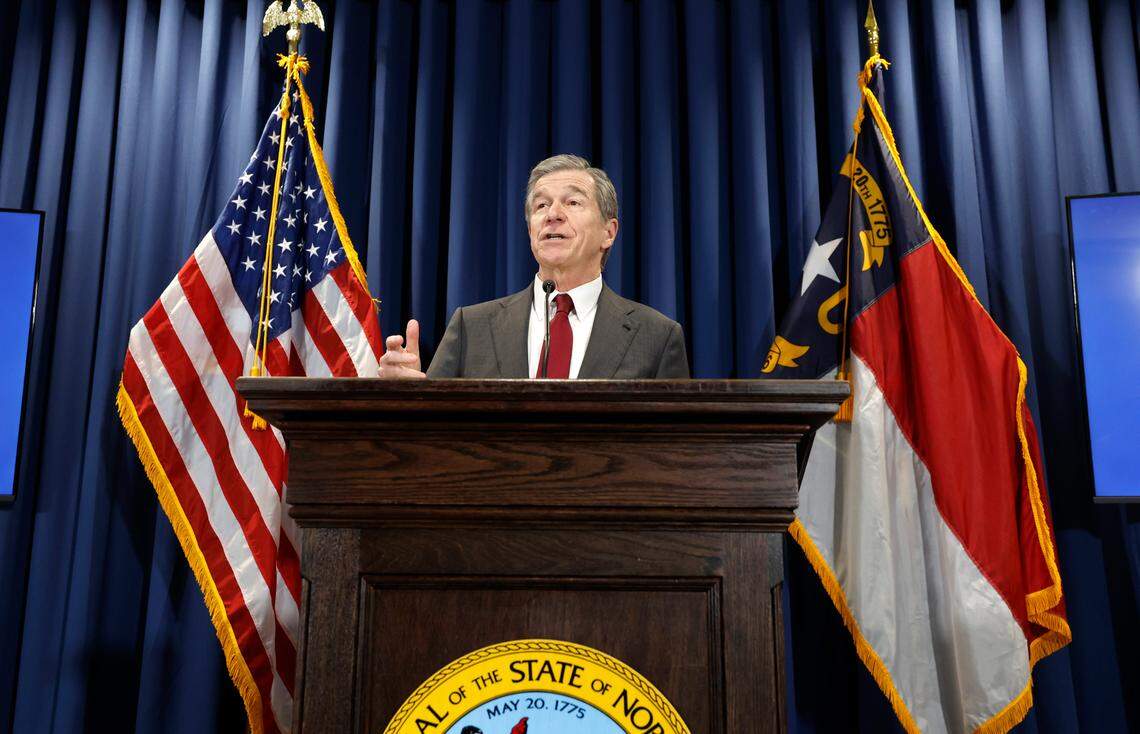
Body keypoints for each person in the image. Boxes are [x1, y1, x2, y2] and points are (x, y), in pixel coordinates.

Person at [378, 154, 689, 379]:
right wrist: (406, 396)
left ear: (608, 232)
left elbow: (676, 455)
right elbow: (430, 440)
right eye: (541, 205)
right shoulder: (471, 328)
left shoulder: (656, 338)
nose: (553, 214)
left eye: (572, 202)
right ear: (530, 231)